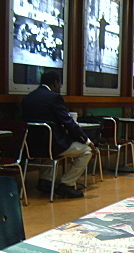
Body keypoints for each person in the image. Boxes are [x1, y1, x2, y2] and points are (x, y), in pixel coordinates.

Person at [22, 70, 96, 198]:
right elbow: (68, 122)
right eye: (59, 84)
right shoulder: (54, 97)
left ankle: (45, 181)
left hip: (31, 145)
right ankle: (66, 184)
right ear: (55, 83)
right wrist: (87, 140)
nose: (60, 87)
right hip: (53, 145)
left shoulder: (27, 98)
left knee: (47, 145)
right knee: (86, 151)